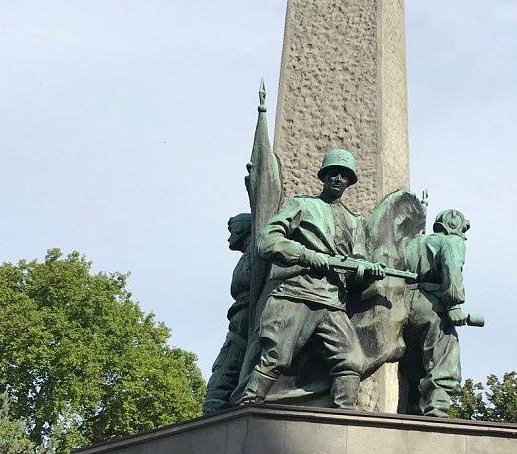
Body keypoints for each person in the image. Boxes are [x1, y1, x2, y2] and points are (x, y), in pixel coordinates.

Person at [238, 150, 384, 408]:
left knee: (352, 362)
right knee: (275, 357)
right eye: (333, 173)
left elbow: (355, 266)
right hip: (296, 294)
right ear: (324, 176)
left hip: (332, 303)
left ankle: (344, 420)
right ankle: (247, 408)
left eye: (344, 175)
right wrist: (306, 255)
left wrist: (365, 272)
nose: (338, 179)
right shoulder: (302, 205)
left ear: (350, 182)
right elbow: (267, 241)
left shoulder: (355, 222)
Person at [403, 209, 472, 416]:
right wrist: (454, 306)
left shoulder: (413, 242)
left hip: (403, 302)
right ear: (454, 226)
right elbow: (452, 266)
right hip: (431, 303)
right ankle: (438, 407)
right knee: (445, 347)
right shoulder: (452, 242)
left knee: (412, 358)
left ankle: (411, 407)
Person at [202, 213, 253, 414]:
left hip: (244, 316)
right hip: (240, 316)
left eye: (231, 231)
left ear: (241, 230)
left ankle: (213, 415)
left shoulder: (254, 253)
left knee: (224, 371)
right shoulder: (249, 254)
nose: (228, 237)